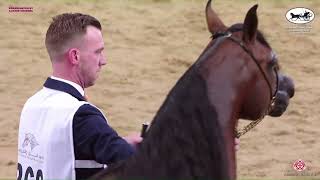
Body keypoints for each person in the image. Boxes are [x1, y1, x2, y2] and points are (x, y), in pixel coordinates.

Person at [17, 13, 142, 180]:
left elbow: (66, 147)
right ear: (75, 56)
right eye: (98, 52)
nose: (103, 61)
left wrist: (118, 143)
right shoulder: (81, 116)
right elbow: (138, 163)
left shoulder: (32, 104)